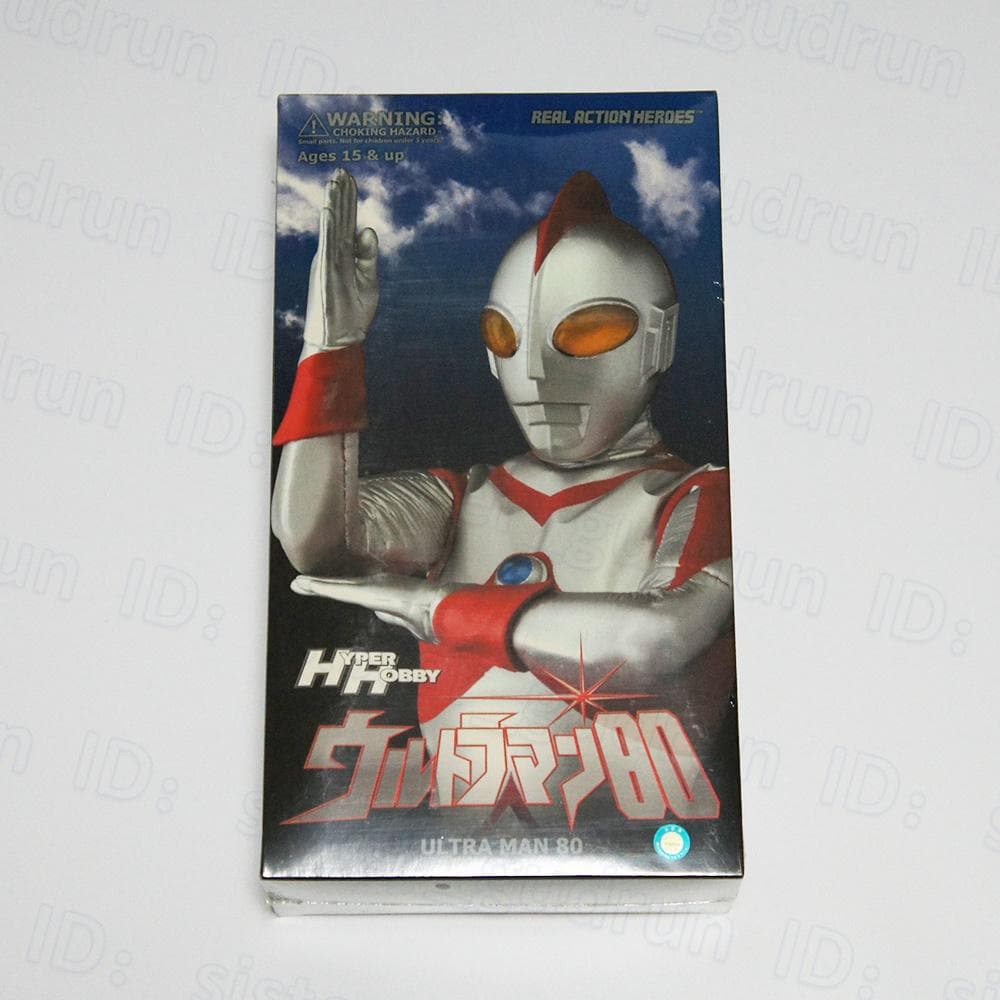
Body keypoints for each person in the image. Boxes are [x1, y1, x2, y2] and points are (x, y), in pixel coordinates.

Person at [271, 168, 734, 758]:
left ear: (658, 340)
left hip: (639, 807)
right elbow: (314, 540)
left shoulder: (700, 496)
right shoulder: (464, 498)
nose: (536, 374)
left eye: (588, 332)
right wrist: (330, 351)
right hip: (450, 804)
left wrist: (435, 608)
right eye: (505, 335)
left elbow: (655, 640)